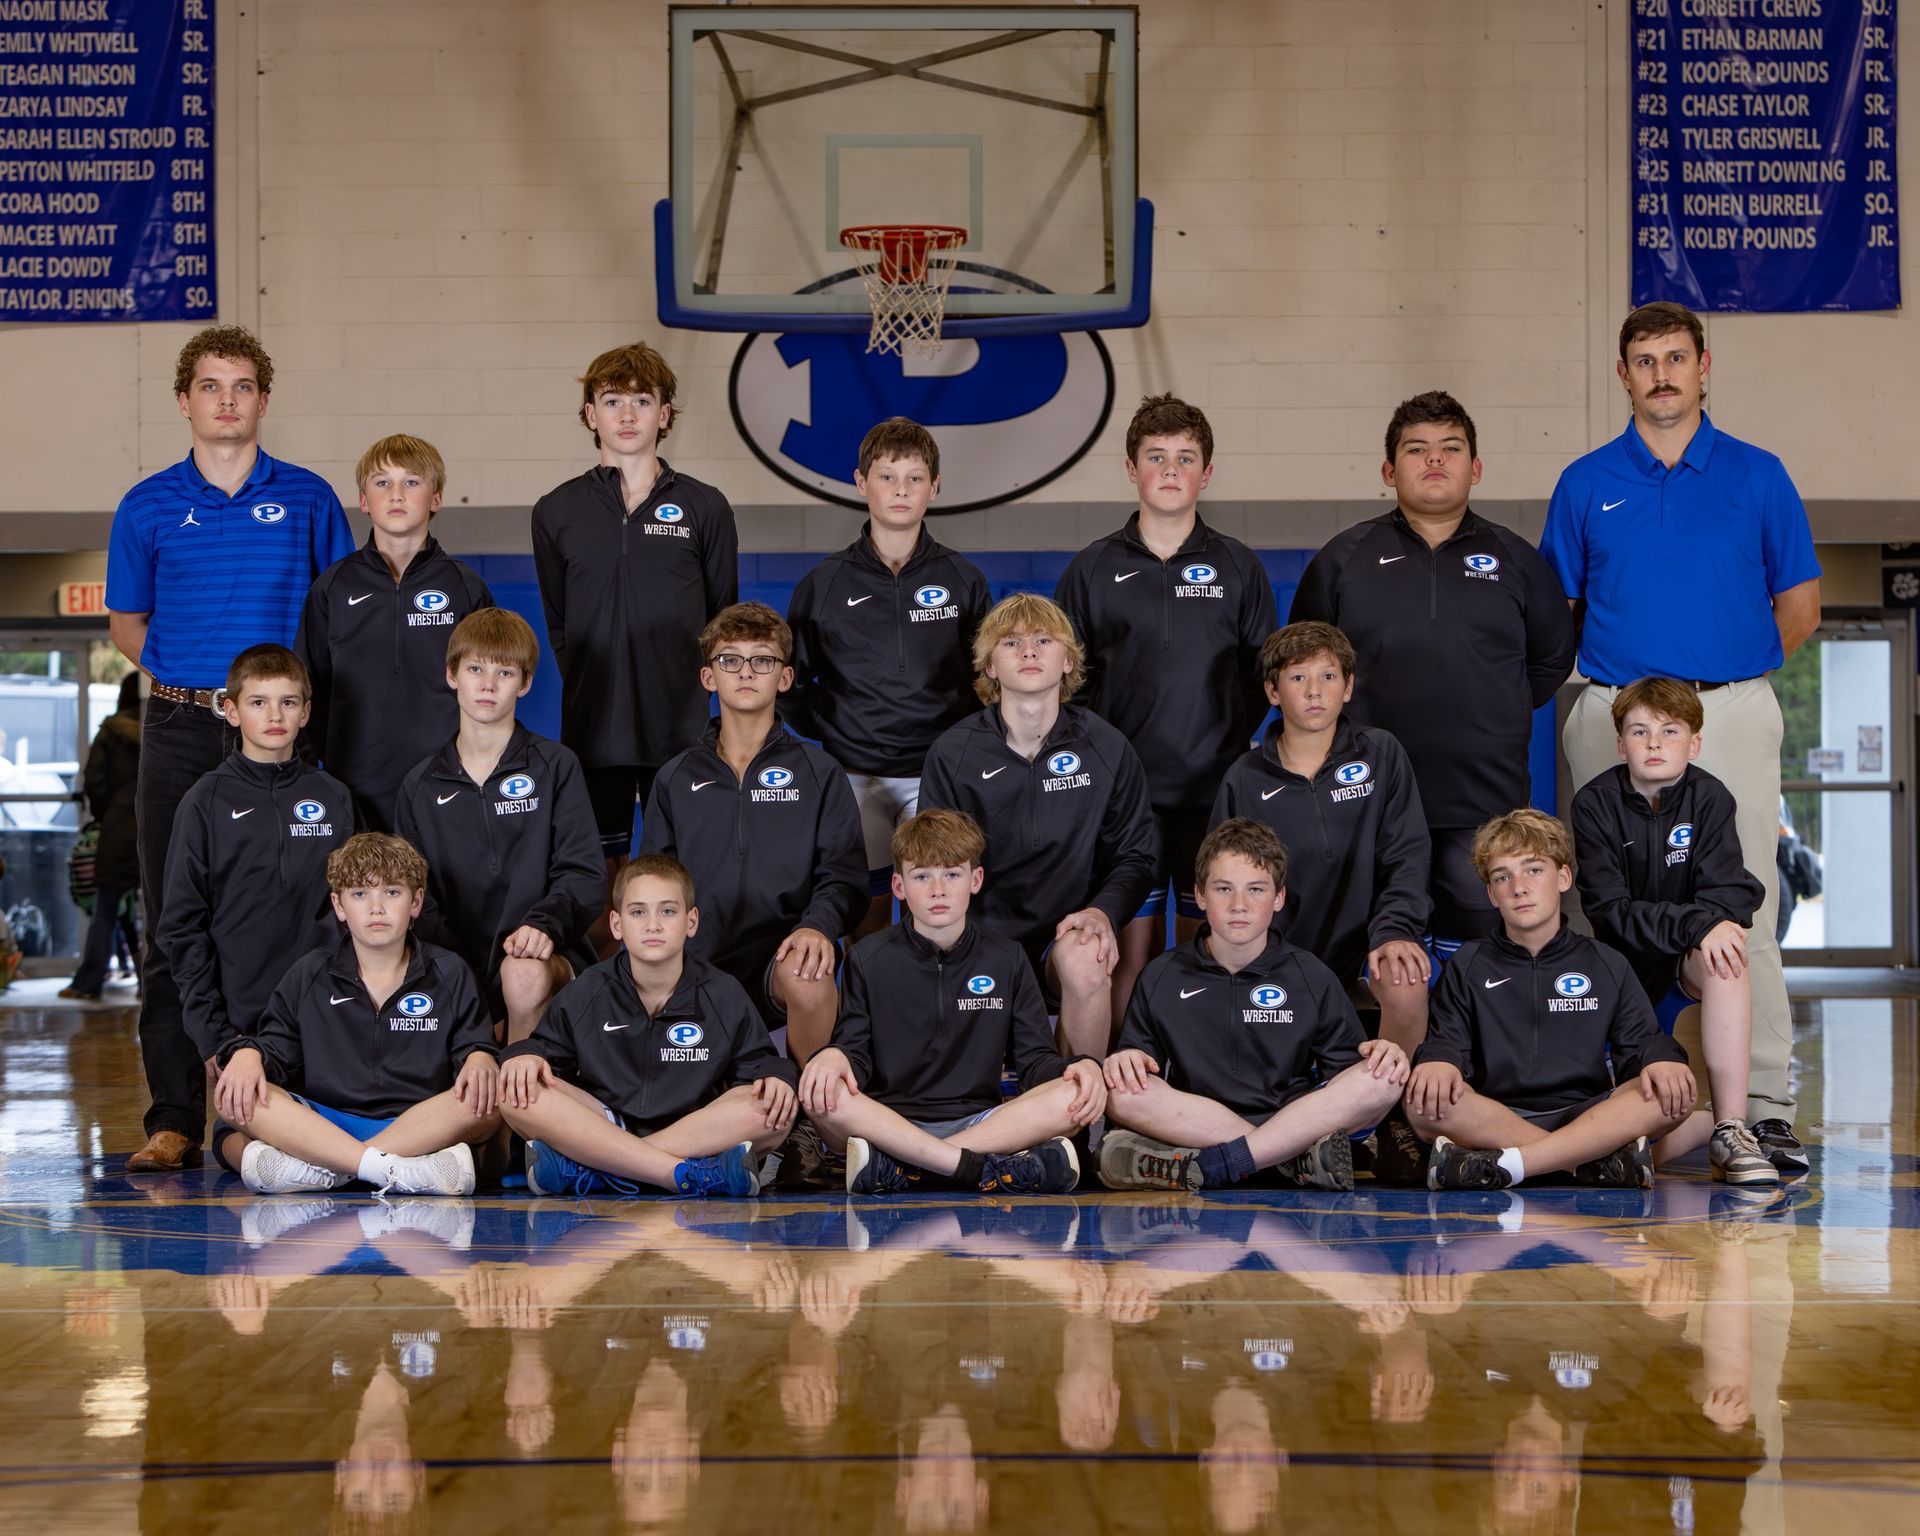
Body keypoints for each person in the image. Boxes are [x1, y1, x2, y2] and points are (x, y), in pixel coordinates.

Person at [1544, 301, 1821, 1176]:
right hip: (1608, 708)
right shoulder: (1587, 482)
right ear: (1622, 375)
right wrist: (1635, 703)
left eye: (1675, 357)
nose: (1660, 373)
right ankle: (1596, 1092)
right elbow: (1561, 614)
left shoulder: (1759, 474)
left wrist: (1715, 689)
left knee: (1748, 911)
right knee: (1592, 905)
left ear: (1706, 366)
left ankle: (1764, 1109)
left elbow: (1800, 608)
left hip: (1728, 709)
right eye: (1643, 360)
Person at [107, 325, 355, 1171]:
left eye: (242, 386)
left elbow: (333, 620)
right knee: (175, 924)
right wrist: (197, 689)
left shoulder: (312, 497)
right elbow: (127, 623)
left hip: (285, 730)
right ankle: (174, 1115)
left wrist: (270, 706)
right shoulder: (145, 505)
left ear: (262, 399)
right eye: (210, 387)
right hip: (180, 729)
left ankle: (297, 1097)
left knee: (300, 917)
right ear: (184, 400)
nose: (226, 401)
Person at [1289, 390, 1575, 948]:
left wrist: (1490, 710)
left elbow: (1547, 663)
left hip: (1483, 803)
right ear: (1389, 469)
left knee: (1479, 961)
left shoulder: (1518, 561)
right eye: (1417, 449)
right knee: (1371, 961)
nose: (1435, 460)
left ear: (1477, 467)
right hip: (1366, 799)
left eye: (1451, 447)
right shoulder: (1344, 558)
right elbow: (1305, 666)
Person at [1054, 394, 1275, 1018]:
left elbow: (1261, 677)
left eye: (1186, 457)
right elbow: (1071, 686)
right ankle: (1125, 1089)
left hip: (1216, 791)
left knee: (1216, 951)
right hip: (1126, 797)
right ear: (1132, 469)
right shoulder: (1093, 567)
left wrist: (1225, 743)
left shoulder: (1238, 565)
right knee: (1129, 955)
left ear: (1206, 473)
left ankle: (1204, 1075)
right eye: (1157, 456)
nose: (1171, 469)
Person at [796, 808, 1102, 1195]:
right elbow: (856, 1055)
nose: (937, 889)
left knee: (1075, 1091)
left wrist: (1082, 1067)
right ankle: (978, 1167)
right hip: (890, 1122)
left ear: (975, 880)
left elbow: (1035, 1062)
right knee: (822, 1092)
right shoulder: (868, 959)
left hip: (982, 1123)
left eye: (951, 874)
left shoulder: (1006, 957)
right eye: (922, 876)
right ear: (898, 886)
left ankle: (913, 1168)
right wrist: (835, 1055)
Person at [1096, 818, 1409, 1193]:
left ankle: (1223, 1164)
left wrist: (1376, 1056)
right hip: (1196, 1123)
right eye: (1223, 888)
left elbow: (1343, 1077)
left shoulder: (1310, 974)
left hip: (1292, 1118)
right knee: (1117, 1090)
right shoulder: (1161, 975)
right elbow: (1139, 1067)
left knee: (1386, 1076)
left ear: (1279, 898)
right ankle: (1286, 1162)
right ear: (1199, 896)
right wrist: (1125, 1058)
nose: (1239, 905)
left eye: (1256, 889)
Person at [1404, 809, 1711, 1191]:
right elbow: (1447, 1040)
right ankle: (1584, 1164)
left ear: (1563, 877)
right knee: (1423, 1102)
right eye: (1503, 877)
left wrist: (1662, 1059)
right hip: (1497, 1114)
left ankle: (1516, 1163)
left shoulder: (1605, 962)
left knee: (1669, 1094)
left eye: (1533, 870)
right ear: (1491, 894)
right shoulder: (1468, 963)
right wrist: (1438, 1062)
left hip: (1588, 1113)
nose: (1519, 887)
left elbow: (1642, 1042)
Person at [531, 341, 738, 883]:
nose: (627, 414)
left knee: (685, 871)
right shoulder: (555, 511)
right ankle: (607, 972)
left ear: (664, 414)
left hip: (682, 726)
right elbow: (561, 625)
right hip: (595, 728)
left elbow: (726, 623)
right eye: (612, 400)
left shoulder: (705, 506)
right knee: (601, 878)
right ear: (589, 413)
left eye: (642, 400)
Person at [919, 593, 1157, 1059]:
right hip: (977, 937)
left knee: (1087, 959)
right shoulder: (953, 753)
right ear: (989, 666)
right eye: (1011, 643)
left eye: (1043, 640)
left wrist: (1102, 912)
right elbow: (937, 861)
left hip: (1062, 936)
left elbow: (1136, 855)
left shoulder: (1106, 748)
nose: (1028, 652)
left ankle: (1081, 1118)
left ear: (1068, 660)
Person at [785, 417, 990, 938]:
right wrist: (837, 731)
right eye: (887, 476)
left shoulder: (963, 579)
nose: (901, 490)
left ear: (935, 487)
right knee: (865, 918)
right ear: (861, 483)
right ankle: (868, 1018)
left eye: (915, 478)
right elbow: (792, 684)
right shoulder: (824, 584)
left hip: (938, 774)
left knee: (941, 915)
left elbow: (987, 683)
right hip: (856, 776)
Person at [208, 831, 500, 1196]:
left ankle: (332, 1168)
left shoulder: (450, 971)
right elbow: (275, 1047)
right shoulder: (310, 971)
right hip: (324, 1123)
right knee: (238, 1099)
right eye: (360, 894)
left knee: (487, 1104)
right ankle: (384, 1169)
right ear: (339, 906)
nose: (376, 908)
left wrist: (479, 1056)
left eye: (392, 892)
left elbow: (473, 1044)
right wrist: (249, 1054)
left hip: (418, 1122)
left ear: (416, 902)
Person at [1569, 678, 1779, 1185]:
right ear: (1621, 744)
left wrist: (1707, 925)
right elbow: (1610, 911)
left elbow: (1730, 894)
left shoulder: (1710, 798)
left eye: (1670, 730)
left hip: (1685, 958)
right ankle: (1695, 1126)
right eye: (1640, 732)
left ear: (1695, 742)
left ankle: (1729, 1127)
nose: (1655, 743)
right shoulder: (1594, 804)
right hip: (1619, 971)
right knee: (1612, 1144)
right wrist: (1699, 920)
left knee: (1726, 954)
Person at [640, 602, 866, 1063]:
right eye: (730, 660)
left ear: (783, 678)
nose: (745, 672)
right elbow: (654, 879)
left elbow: (843, 876)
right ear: (709, 678)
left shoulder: (819, 772)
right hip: (696, 956)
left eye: (762, 660)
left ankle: (810, 1121)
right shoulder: (674, 777)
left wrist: (816, 927)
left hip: (780, 954)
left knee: (809, 973)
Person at [498, 854, 798, 1198]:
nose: (653, 924)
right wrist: (525, 1055)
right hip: (607, 1121)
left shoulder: (722, 991)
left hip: (695, 1129)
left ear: (691, 921)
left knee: (774, 1108)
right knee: (514, 1091)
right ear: (616, 924)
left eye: (668, 911)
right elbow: (546, 1052)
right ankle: (679, 1174)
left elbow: (760, 1064)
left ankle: (603, 1170)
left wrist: (779, 1076)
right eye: (638, 911)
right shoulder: (589, 989)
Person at [152, 645, 357, 1133]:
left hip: (328, 1020)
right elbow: (181, 928)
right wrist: (215, 1039)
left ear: (306, 712)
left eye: (288, 702)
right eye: (258, 702)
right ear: (230, 709)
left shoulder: (335, 797)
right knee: (260, 1141)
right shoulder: (204, 801)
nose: (274, 715)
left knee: (324, 1130)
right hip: (244, 1029)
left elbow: (361, 910)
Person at [1209, 621, 1432, 1054]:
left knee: (1406, 982)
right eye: (1298, 677)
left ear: (1348, 687)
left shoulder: (1381, 754)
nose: (1315, 691)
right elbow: (1228, 880)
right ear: (1273, 693)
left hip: (1368, 944)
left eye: (1328, 676)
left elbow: (1406, 857)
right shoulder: (1245, 778)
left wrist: (1394, 931)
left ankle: (1391, 1115)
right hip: (1279, 952)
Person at [394, 607, 601, 1044]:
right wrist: (472, 988)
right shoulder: (419, 784)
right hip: (454, 965)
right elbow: (417, 900)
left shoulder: (556, 766)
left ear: (524, 683)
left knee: (521, 974)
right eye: (475, 669)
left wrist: (544, 927)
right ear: (452, 675)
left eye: (504, 672)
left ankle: (516, 1098)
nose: (488, 685)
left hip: (544, 955)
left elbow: (582, 874)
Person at [296, 434, 494, 832]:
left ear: (435, 498)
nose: (397, 494)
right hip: (354, 785)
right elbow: (309, 686)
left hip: (447, 782)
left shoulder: (466, 588)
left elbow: (491, 690)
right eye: (382, 482)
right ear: (364, 501)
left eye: (412, 482)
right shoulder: (333, 587)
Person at [62, 673, 144, 1001]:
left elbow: (94, 780)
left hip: (119, 828)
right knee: (163, 909)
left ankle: (88, 982)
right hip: (159, 826)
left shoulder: (111, 732)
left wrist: (104, 815)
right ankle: (152, 984)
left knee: (107, 907)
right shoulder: (162, 727)